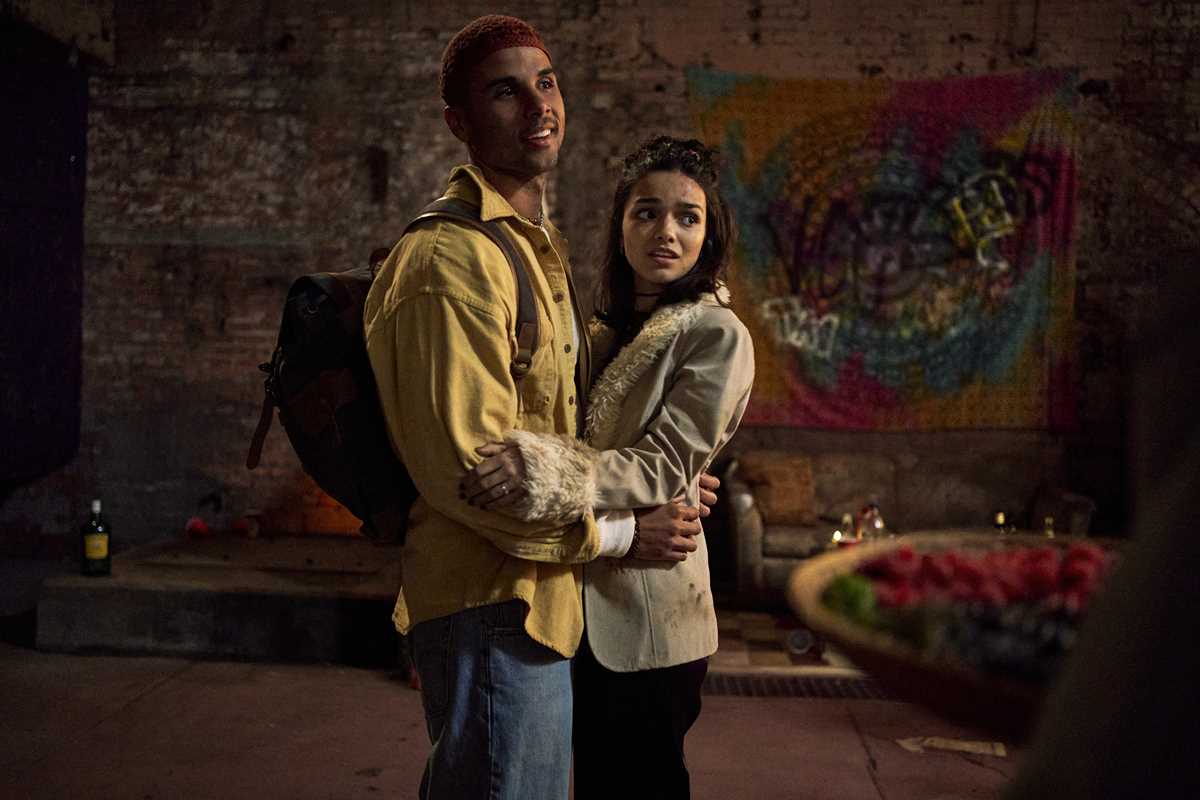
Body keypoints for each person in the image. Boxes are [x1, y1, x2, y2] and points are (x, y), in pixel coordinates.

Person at [363, 17, 712, 800]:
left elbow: (560, 434)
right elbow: (472, 472)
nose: (538, 105)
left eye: (546, 83)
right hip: (491, 602)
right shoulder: (451, 261)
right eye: (505, 91)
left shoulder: (528, 247)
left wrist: (659, 483)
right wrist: (625, 532)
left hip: (537, 598)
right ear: (459, 122)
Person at [462, 135, 755, 799]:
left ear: (708, 237)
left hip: (650, 615)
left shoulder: (716, 333)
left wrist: (546, 473)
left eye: (687, 217)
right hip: (579, 602)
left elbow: (663, 465)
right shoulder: (601, 332)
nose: (666, 231)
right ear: (621, 227)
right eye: (646, 212)